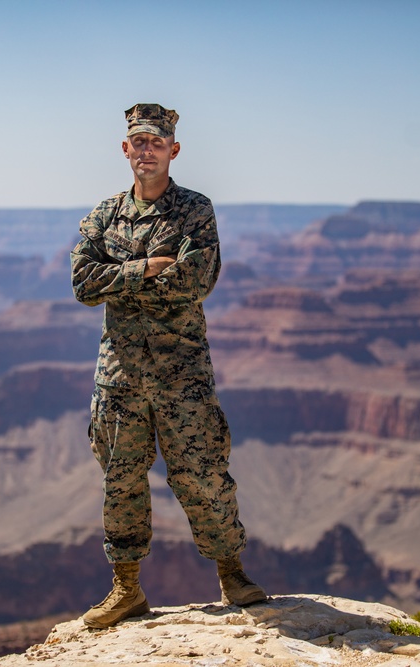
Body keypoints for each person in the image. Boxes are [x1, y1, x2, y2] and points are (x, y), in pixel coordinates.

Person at [70, 103, 266, 629]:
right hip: (121, 376)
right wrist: (147, 269)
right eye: (139, 141)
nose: (148, 150)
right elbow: (83, 283)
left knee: (202, 473)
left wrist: (121, 277)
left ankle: (232, 574)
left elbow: (196, 281)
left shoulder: (195, 210)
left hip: (183, 374)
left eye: (157, 143)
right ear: (126, 148)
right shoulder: (104, 215)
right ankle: (126, 588)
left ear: (173, 150)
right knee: (122, 479)